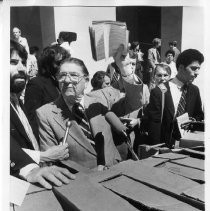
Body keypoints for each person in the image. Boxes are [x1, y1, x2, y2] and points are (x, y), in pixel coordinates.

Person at [36, 45, 145, 170]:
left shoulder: (99, 100)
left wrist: (126, 71)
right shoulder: (46, 114)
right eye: (62, 75)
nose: (67, 80)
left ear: (86, 80)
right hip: (81, 183)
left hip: (115, 172)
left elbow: (134, 102)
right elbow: (51, 163)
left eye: (74, 75)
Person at [10, 39, 75, 189]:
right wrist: (44, 155)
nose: (21, 68)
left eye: (23, 62)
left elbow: (27, 132)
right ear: (47, 64)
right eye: (13, 62)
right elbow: (34, 123)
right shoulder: (36, 84)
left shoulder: (15, 98)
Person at [145, 49, 204, 147]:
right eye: (193, 68)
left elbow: (198, 115)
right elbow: (154, 125)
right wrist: (156, 151)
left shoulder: (194, 90)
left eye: (198, 68)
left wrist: (192, 121)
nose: (197, 73)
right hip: (165, 148)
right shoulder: (159, 91)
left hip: (187, 146)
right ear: (181, 67)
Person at [24, 44, 70, 140]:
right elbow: (33, 119)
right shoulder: (36, 84)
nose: (63, 67)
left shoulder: (59, 82)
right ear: (47, 64)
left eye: (65, 62)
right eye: (59, 63)